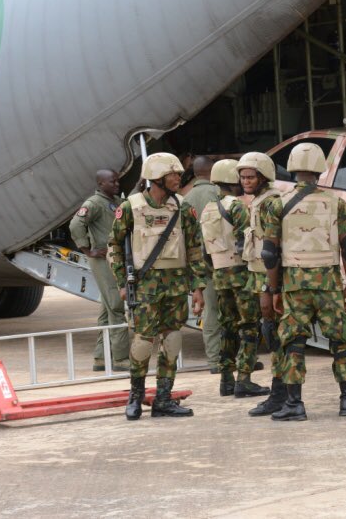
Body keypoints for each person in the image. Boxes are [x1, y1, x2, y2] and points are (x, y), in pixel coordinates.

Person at [262, 142, 346, 421]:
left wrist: (274, 288)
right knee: (340, 341)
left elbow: (269, 253)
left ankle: (295, 405)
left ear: (292, 168)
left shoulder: (276, 204)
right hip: (329, 284)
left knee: (294, 343)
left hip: (295, 285)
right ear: (320, 169)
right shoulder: (336, 203)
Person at [109, 153, 207, 419]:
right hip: (144, 286)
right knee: (142, 342)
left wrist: (198, 287)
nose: (178, 178)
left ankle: (164, 398)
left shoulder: (183, 208)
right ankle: (136, 397)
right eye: (173, 174)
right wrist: (121, 282)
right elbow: (115, 247)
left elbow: (194, 248)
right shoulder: (131, 207)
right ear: (157, 178)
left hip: (175, 286)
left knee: (172, 340)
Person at [199, 159, 268, 398]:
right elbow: (244, 243)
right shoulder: (237, 207)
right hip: (240, 274)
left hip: (219, 276)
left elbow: (203, 250)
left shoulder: (208, 209)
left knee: (227, 328)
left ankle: (226, 381)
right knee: (249, 327)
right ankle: (244, 380)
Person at [237, 152, 288, 417]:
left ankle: (280, 394)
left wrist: (272, 287)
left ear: (263, 176)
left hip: (269, 278)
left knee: (275, 334)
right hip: (260, 275)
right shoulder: (258, 201)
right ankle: (281, 392)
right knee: (272, 335)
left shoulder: (270, 202)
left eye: (250, 176)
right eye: (243, 177)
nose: (245, 181)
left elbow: (272, 248)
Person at [69, 169, 130, 371]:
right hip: (104, 260)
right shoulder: (94, 203)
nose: (117, 184)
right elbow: (76, 224)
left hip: (113, 258)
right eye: (112, 182)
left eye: (117, 181)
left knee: (106, 308)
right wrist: (88, 250)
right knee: (116, 305)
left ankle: (101, 357)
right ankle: (121, 358)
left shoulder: (113, 201)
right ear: (101, 183)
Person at [183, 156, 222, 372]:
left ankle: (214, 359)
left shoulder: (186, 199)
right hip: (223, 260)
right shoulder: (219, 194)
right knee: (233, 311)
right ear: (213, 170)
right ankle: (231, 358)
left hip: (200, 263)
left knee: (210, 312)